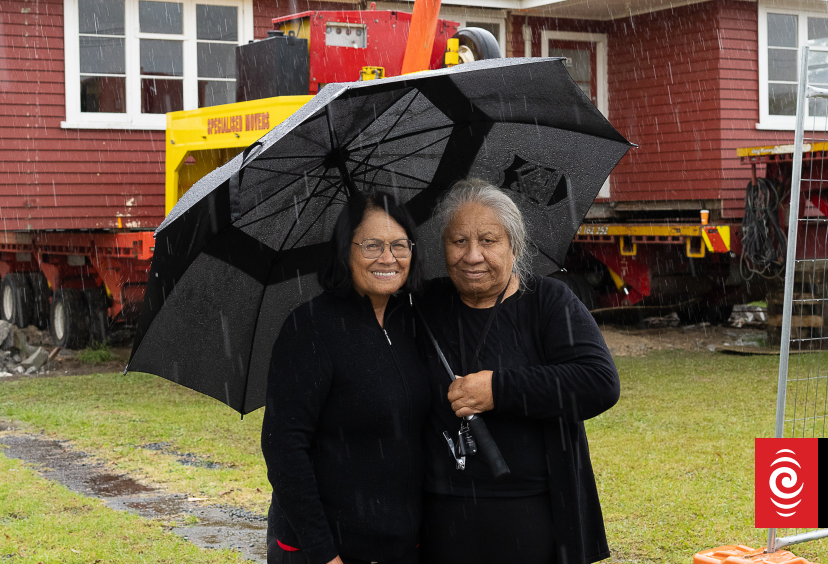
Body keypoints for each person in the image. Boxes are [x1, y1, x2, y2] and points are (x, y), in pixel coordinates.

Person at [417, 178, 620, 564]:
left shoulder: (547, 302)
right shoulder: (425, 305)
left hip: (532, 511)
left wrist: (498, 389)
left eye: (488, 240)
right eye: (459, 241)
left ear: (514, 245)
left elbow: (598, 382)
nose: (472, 255)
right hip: (441, 513)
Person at [261, 191, 430, 564]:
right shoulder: (310, 328)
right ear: (344, 250)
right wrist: (324, 554)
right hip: (324, 551)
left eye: (399, 245)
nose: (388, 258)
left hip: (400, 549)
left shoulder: (413, 323)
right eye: (372, 245)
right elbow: (284, 448)